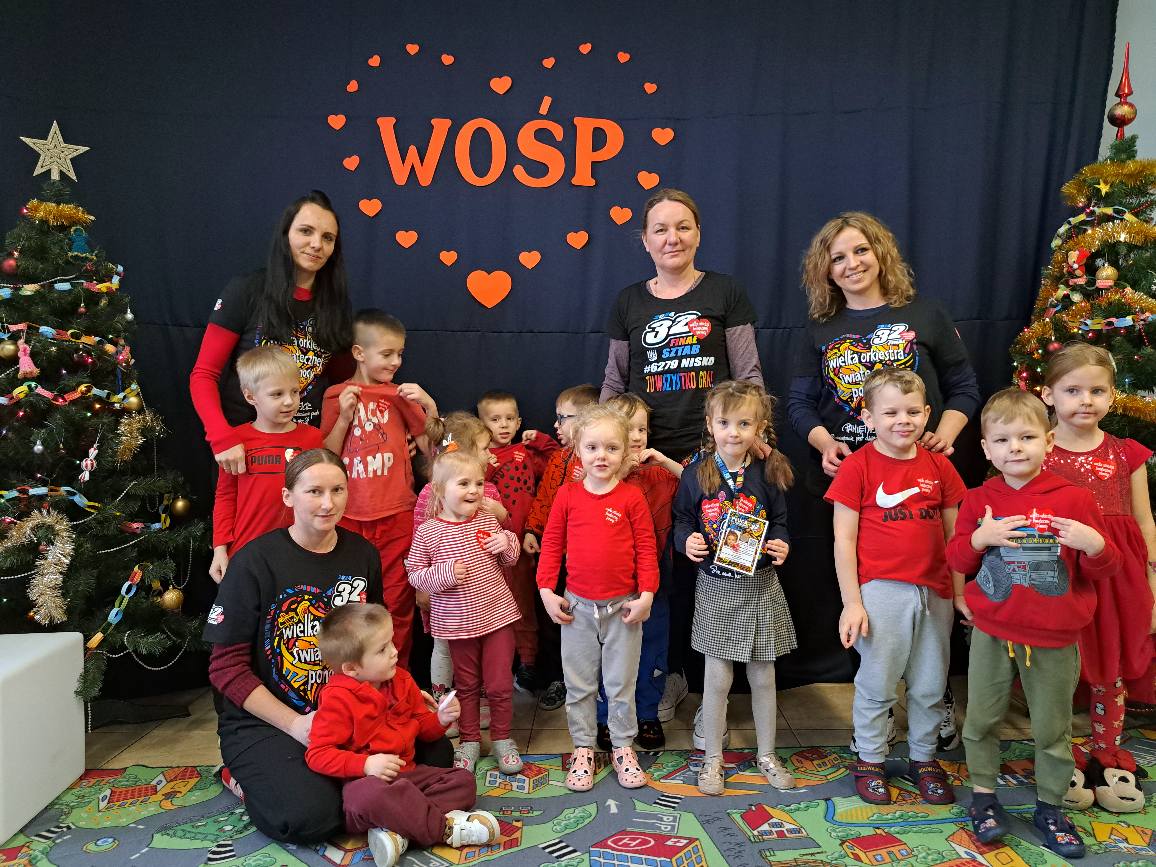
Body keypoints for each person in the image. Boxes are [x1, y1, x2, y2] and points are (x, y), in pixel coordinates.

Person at [788, 211, 980, 752]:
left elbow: (964, 385)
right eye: (838, 257)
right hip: (854, 481)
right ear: (825, 270)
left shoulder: (925, 313)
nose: (851, 264)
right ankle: (875, 711)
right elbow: (799, 403)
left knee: (929, 596)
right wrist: (825, 444)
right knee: (870, 604)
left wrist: (944, 433)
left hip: (921, 479)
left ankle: (934, 700)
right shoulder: (820, 329)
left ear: (881, 252)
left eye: (860, 251)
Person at [203, 448, 453, 844]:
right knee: (309, 819)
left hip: (352, 714)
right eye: (314, 491)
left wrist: (400, 692)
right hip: (272, 721)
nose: (328, 503)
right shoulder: (253, 562)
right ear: (288, 497)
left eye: (337, 490)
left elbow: (376, 639)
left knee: (438, 756)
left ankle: (360, 796)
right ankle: (240, 776)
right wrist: (296, 724)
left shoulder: (362, 554)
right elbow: (225, 669)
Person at [947, 388, 1119, 860]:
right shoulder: (979, 499)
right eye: (1002, 440)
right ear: (986, 448)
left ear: (1048, 440)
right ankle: (984, 797)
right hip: (993, 632)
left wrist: (1094, 544)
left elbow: (1106, 568)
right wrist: (980, 538)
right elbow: (957, 559)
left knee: (1052, 727)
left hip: (1054, 637)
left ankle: (1050, 807)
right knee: (980, 720)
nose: (1015, 448)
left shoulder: (1075, 499)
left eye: (1026, 437)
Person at [824, 369, 966, 806]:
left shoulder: (939, 467)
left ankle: (924, 758)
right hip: (881, 593)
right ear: (868, 418)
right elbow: (843, 541)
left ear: (926, 414)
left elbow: (955, 537)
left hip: (935, 593)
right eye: (890, 413)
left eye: (912, 412)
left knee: (930, 684)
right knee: (877, 682)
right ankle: (870, 758)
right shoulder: (858, 467)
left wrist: (960, 594)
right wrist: (852, 603)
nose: (902, 421)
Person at [672, 381, 797, 795]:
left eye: (744, 424)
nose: (734, 432)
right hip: (715, 586)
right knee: (717, 679)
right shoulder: (695, 473)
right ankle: (713, 758)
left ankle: (767, 754)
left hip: (760, 584)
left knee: (763, 676)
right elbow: (681, 520)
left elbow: (780, 521)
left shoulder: (769, 469)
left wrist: (781, 543)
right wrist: (685, 541)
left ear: (759, 426)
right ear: (710, 424)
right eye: (725, 423)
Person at [305, 604, 497, 867]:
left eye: (392, 643)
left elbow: (422, 728)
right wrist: (365, 764)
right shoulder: (337, 699)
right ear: (351, 668)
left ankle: (398, 831)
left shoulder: (402, 680)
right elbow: (317, 754)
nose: (394, 652)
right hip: (367, 784)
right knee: (366, 797)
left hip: (409, 776)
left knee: (463, 781)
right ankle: (446, 830)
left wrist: (440, 719)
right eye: (382, 650)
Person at [1040, 343, 1156, 773]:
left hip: (1118, 578)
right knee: (1060, 665)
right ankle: (1059, 752)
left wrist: (1152, 583)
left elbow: (1144, 522)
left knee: (1111, 660)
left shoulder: (1126, 453)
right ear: (1048, 394)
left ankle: (1107, 750)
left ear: (1111, 395)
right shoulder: (1037, 451)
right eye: (1072, 390)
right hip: (1059, 575)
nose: (1085, 400)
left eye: (1097, 391)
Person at [537, 405, 659, 791]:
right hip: (577, 608)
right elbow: (551, 545)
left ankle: (623, 746)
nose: (601, 456)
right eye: (592, 447)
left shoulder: (632, 497)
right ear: (578, 450)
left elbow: (647, 549)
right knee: (580, 685)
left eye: (611, 448)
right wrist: (545, 590)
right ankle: (583, 748)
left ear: (625, 452)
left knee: (620, 684)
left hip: (623, 609)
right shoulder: (567, 495)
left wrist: (647, 595)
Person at [190, 190, 352, 475]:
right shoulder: (247, 290)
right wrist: (221, 436)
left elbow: (346, 383)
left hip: (307, 456)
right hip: (243, 452)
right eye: (306, 231)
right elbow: (204, 374)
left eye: (328, 238)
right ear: (286, 234)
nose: (317, 244)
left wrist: (389, 430)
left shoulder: (335, 306)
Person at [321, 310, 437, 670]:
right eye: (387, 354)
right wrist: (344, 417)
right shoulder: (336, 394)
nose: (396, 362)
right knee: (348, 606)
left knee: (397, 604)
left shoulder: (402, 395)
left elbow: (435, 452)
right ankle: (351, 683)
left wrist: (429, 406)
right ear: (359, 353)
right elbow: (325, 457)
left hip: (397, 516)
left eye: (400, 354)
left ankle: (395, 681)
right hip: (348, 518)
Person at [407, 447, 522, 774]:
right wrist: (444, 574)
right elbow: (414, 573)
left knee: (499, 685)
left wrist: (507, 543)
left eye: (479, 483)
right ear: (440, 490)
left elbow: (510, 559)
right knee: (467, 686)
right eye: (464, 484)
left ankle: (502, 739)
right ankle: (470, 740)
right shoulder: (429, 531)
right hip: (457, 624)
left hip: (498, 617)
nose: (474, 490)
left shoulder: (487, 519)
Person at [594, 393, 680, 751]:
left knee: (652, 646)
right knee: (609, 651)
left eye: (642, 429)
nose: (636, 437)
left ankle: (647, 713)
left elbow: (702, 483)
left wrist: (665, 460)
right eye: (627, 429)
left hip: (654, 578)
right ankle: (606, 717)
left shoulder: (659, 473)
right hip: (610, 580)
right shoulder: (597, 475)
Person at [209, 346, 323, 582]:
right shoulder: (236, 441)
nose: (289, 401)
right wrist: (220, 548)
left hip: (299, 552)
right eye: (277, 394)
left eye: (295, 391)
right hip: (247, 552)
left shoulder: (312, 438)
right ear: (251, 397)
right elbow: (226, 496)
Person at [523, 383, 599, 711]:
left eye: (562, 418)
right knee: (553, 618)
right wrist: (532, 529)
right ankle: (558, 678)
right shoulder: (557, 458)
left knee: (587, 622)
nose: (556, 425)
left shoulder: (598, 460)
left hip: (585, 558)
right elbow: (543, 498)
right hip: (553, 554)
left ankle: (590, 682)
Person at [476, 390, 559, 691]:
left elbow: (557, 462)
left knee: (524, 603)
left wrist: (539, 440)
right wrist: (487, 463)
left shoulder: (525, 453)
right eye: (495, 419)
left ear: (519, 422)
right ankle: (491, 669)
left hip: (526, 542)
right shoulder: (482, 459)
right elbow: (471, 484)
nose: (503, 425)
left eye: (509, 418)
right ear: (482, 425)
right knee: (491, 606)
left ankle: (528, 663)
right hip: (492, 548)